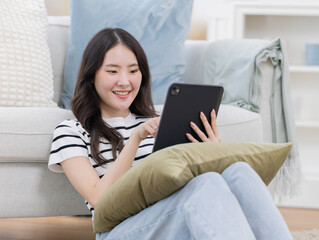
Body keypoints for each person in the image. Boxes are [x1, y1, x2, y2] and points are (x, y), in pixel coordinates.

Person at [48, 28, 292, 240]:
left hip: (174, 215)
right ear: (91, 77)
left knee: (238, 172)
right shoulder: (72, 131)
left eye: (133, 71)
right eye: (112, 71)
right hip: (119, 230)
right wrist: (135, 140)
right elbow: (98, 199)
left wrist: (212, 152)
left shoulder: (159, 122)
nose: (124, 81)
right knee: (205, 185)